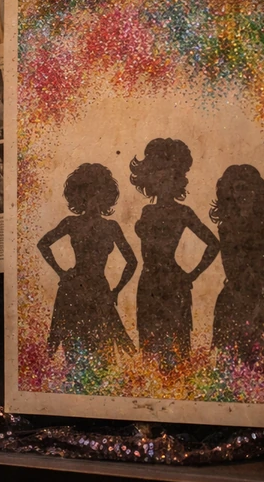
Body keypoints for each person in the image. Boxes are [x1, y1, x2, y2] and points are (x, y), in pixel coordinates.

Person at [129, 138, 219, 371]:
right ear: (150, 178)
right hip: (148, 282)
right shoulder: (146, 210)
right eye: (158, 175)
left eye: (169, 176)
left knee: (177, 348)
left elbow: (213, 244)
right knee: (148, 348)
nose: (163, 181)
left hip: (172, 282)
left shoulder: (183, 212)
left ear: (177, 179)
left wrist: (192, 275)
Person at [38, 163, 138, 370]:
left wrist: (117, 290)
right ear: (79, 195)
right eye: (88, 192)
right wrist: (60, 272)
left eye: (98, 191)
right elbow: (43, 243)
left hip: (99, 292)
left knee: (103, 355)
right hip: (72, 292)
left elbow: (132, 261)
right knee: (74, 355)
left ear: (106, 195)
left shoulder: (111, 227)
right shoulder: (71, 223)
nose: (93, 198)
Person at [209, 165, 264, 371]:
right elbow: (231, 266)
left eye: (247, 188)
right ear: (230, 194)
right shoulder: (225, 227)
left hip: (259, 295)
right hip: (234, 296)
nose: (242, 194)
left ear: (257, 191)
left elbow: (263, 265)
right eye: (237, 189)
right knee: (229, 364)